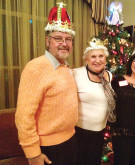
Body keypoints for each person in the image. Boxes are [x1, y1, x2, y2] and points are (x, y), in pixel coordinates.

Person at [15, 2, 78, 165]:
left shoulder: (65, 67)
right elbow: (23, 116)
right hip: (48, 148)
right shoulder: (35, 68)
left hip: (70, 141)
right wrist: (33, 153)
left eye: (68, 39)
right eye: (58, 38)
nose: (64, 43)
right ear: (47, 41)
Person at [73, 37, 116, 165]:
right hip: (80, 134)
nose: (97, 60)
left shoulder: (109, 75)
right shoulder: (76, 74)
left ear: (105, 58)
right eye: (93, 57)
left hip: (99, 133)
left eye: (101, 56)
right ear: (86, 58)